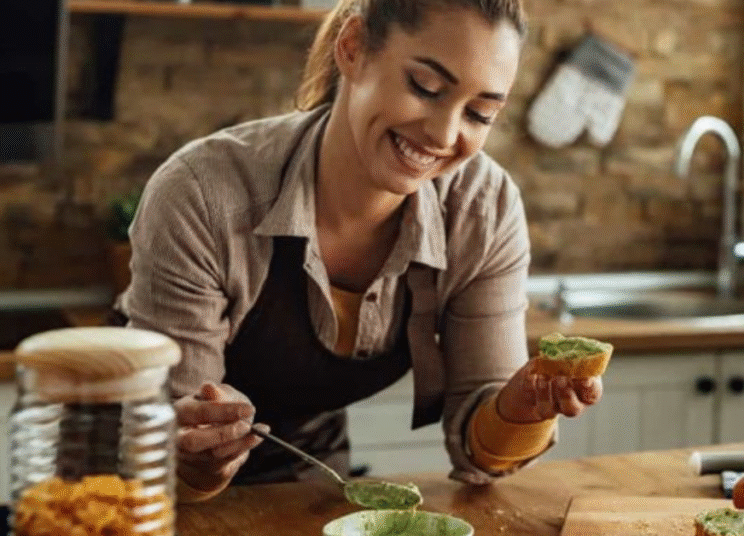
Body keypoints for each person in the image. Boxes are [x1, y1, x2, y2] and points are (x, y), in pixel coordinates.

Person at [114, 0, 604, 502]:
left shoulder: (483, 210)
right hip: (144, 487)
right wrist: (197, 452)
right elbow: (167, 441)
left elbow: (481, 452)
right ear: (352, 49)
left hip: (306, 474)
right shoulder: (204, 193)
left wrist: (518, 411)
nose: (444, 134)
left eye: (480, 113)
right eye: (426, 88)